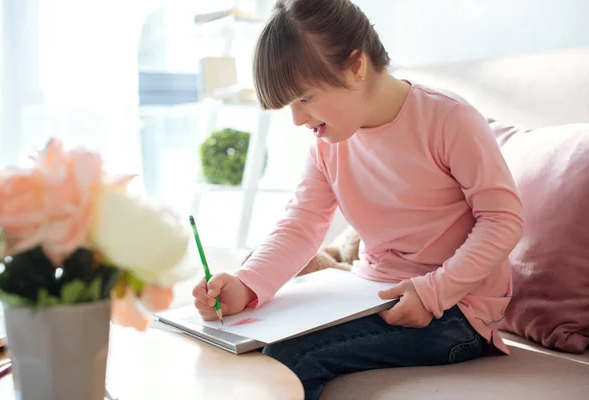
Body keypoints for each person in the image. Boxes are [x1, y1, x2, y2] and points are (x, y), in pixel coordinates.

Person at [192, 0, 524, 398]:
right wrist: (245, 285)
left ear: (356, 66)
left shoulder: (448, 119)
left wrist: (433, 291)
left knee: (286, 359)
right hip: (366, 295)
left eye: (305, 98)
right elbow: (301, 225)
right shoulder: (326, 145)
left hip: (456, 311)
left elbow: (502, 219)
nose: (297, 119)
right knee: (235, 347)